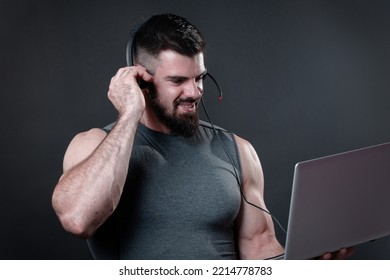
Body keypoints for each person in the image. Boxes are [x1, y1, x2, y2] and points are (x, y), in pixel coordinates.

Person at [52, 13, 353, 260]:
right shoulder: (93, 145)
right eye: (178, 81)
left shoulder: (237, 150)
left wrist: (307, 263)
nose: (194, 92)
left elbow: (260, 247)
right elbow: (78, 219)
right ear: (141, 80)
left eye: (199, 78)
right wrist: (131, 112)